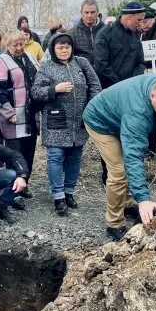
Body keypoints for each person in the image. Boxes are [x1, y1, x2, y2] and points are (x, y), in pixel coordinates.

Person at [82, 75, 156, 240]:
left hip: (121, 116)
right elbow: (133, 156)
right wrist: (143, 199)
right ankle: (114, 223)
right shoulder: (138, 112)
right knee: (119, 171)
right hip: (100, 122)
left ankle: (127, 205)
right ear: (152, 96)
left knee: (127, 165)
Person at [31, 34, 101, 215]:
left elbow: (95, 85)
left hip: (79, 120)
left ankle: (69, 192)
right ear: (53, 49)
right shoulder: (47, 67)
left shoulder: (82, 63)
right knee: (56, 156)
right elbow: (36, 92)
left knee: (75, 156)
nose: (64, 50)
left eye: (67, 47)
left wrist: (90, 108)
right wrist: (55, 89)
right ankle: (58, 196)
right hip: (56, 120)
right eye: (60, 47)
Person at [0, 31, 39, 199]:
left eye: (21, 44)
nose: (19, 48)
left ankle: (24, 184)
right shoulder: (1, 61)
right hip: (13, 117)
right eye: (15, 45)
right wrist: (8, 112)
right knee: (15, 155)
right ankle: (12, 193)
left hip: (30, 115)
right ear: (7, 46)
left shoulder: (30, 57)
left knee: (29, 152)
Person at [93, 1, 146, 88]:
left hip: (131, 86)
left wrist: (133, 81)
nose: (141, 24)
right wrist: (118, 84)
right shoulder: (105, 34)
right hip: (110, 88)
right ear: (129, 17)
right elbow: (101, 63)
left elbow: (141, 62)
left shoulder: (135, 35)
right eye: (139, 20)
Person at [67, 0, 103, 64]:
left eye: (92, 12)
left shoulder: (107, 31)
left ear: (97, 13)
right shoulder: (72, 33)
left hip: (103, 72)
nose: (89, 15)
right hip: (82, 72)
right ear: (81, 13)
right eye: (86, 12)